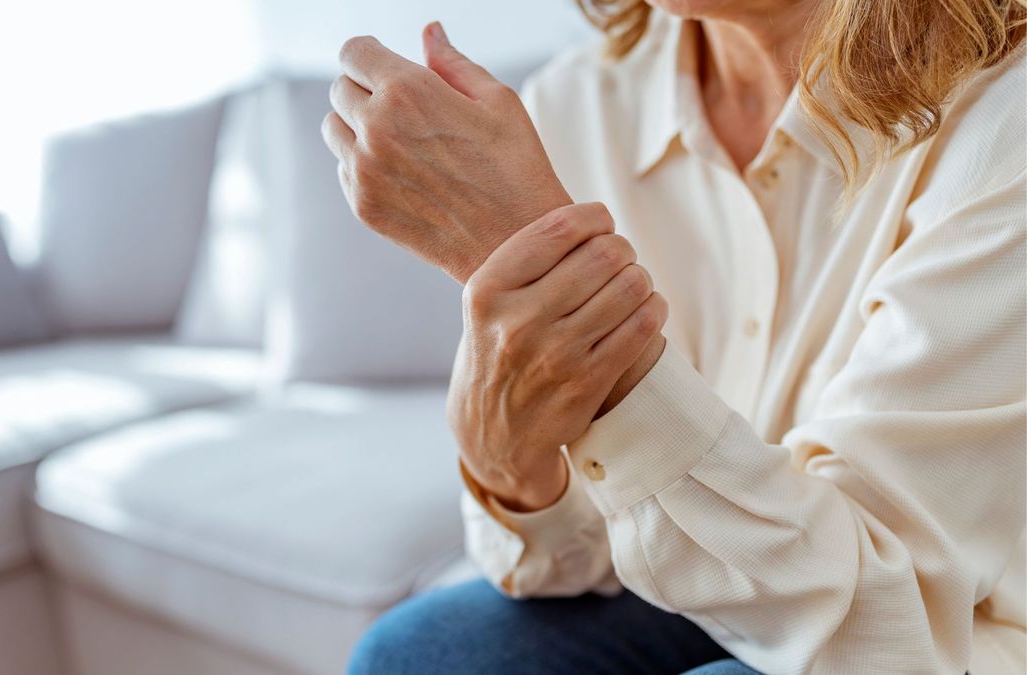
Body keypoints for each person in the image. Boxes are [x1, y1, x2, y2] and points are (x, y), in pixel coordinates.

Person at [320, 0, 1027, 672]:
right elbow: (565, 557)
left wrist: (554, 268)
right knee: (420, 654)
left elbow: (879, 631)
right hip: (744, 578)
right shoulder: (581, 101)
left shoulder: (1002, 118)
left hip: (956, 632)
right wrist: (502, 458)